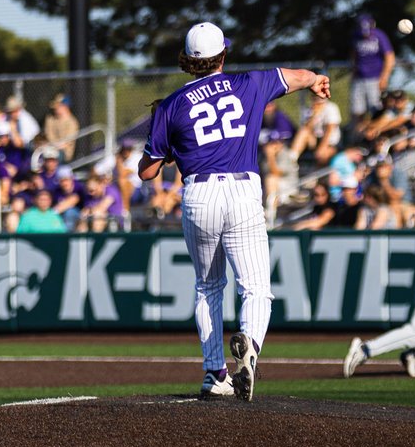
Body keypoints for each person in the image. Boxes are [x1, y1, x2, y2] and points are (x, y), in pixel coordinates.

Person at [140, 21, 330, 402]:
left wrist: (173, 143)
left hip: (199, 194)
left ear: (188, 61)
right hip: (243, 189)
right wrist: (315, 80)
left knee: (208, 287)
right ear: (223, 54)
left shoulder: (173, 104)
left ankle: (215, 374)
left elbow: (146, 172)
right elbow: (295, 77)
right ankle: (251, 348)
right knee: (256, 288)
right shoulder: (249, 83)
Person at [350, 14, 395, 126]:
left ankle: (375, 135)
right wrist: (354, 71)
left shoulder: (379, 35)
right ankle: (359, 137)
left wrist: (384, 77)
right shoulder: (356, 36)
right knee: (357, 111)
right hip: (359, 78)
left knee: (376, 109)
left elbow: (389, 57)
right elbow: (354, 55)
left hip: (375, 78)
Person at [43, 94, 80, 161]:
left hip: (62, 153)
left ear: (65, 106)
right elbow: (48, 135)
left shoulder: (72, 123)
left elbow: (66, 143)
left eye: (58, 106)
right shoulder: (50, 118)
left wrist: (53, 146)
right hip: (49, 148)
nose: (55, 108)